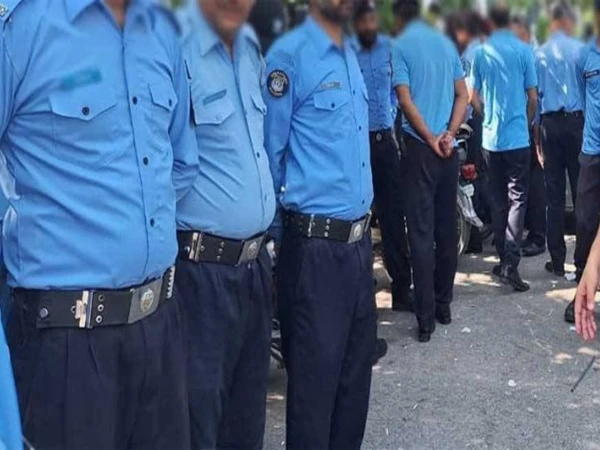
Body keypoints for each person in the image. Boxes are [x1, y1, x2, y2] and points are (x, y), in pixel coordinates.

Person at [0, 0, 199, 448]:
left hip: (161, 328)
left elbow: (181, 161)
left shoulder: (162, 30)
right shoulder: (21, 27)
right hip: (67, 347)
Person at [263, 0, 376, 447]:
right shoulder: (288, 57)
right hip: (314, 252)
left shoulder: (351, 54)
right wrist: (280, 246)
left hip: (358, 247)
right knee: (314, 396)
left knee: (353, 389)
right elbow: (269, 157)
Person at [176, 0, 276, 448]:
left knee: (247, 418)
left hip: (254, 267)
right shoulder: (173, 45)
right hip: (201, 274)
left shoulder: (250, 46)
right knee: (201, 421)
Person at [391, 0, 468, 342]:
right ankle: (443, 303)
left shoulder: (400, 46)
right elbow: (463, 95)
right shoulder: (445, 44)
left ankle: (425, 319)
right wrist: (449, 133)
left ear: (399, 16)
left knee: (421, 234)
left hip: (420, 150)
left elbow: (405, 100)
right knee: (446, 229)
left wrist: (429, 137)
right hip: (448, 150)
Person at [471, 6, 538, 292]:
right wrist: (526, 120)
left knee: (498, 201)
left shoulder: (481, 53)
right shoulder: (523, 51)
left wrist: (486, 117)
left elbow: (472, 97)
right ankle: (510, 263)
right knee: (517, 200)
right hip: (517, 138)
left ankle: (502, 260)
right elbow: (532, 97)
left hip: (491, 140)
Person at [352, 1, 413, 312]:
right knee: (358, 219)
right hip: (356, 147)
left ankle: (402, 288)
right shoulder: (346, 50)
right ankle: (363, 294)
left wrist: (390, 111)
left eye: (372, 20)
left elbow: (396, 90)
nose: (368, 26)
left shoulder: (390, 48)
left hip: (386, 143)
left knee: (393, 217)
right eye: (363, 20)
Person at [534, 3, 583, 283]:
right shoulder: (581, 51)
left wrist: (537, 139)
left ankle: (556, 261)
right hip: (576, 125)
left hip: (550, 126)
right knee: (581, 194)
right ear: (569, 22)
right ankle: (582, 262)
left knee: (553, 196)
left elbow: (537, 98)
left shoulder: (540, 53)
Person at [566, 0, 600, 324]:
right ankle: (581, 290)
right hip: (592, 151)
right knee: (585, 221)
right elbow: (582, 96)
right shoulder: (584, 55)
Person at [454, 10, 493, 254]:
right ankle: (482, 231)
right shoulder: (474, 50)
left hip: (473, 119)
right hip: (472, 119)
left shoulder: (473, 52)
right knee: (475, 175)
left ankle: (477, 235)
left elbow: (470, 93)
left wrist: (477, 116)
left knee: (475, 175)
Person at [511, 15, 547, 259]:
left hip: (535, 125)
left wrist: (532, 128)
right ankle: (532, 233)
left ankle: (538, 236)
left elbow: (536, 97)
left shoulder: (534, 55)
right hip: (529, 124)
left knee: (536, 184)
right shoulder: (528, 52)